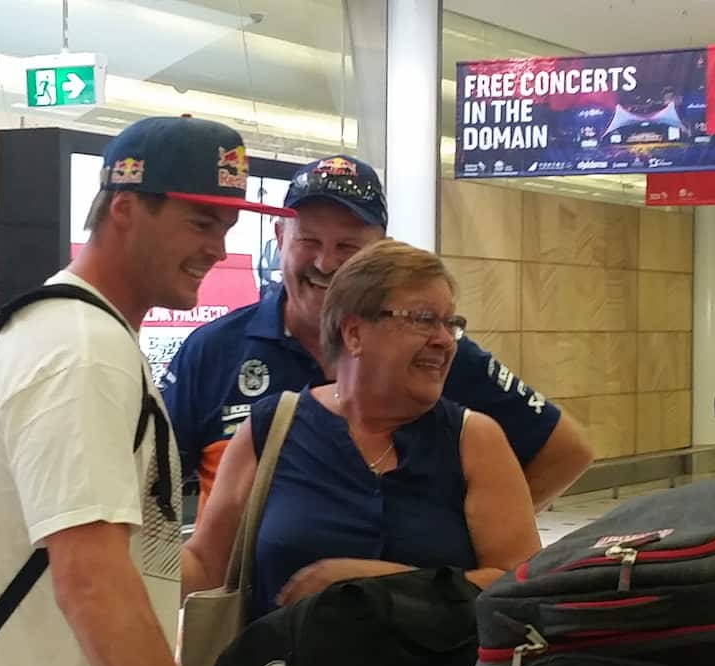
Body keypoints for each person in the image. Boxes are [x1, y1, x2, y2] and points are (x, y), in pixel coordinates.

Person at [0, 116, 294, 666]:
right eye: (200, 222)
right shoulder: (82, 352)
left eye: (228, 227)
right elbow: (91, 581)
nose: (218, 247)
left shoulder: (79, 334)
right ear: (126, 208)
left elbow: (131, 565)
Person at [161, 154, 593, 522]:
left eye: (348, 247)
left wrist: (472, 539)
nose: (325, 263)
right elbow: (153, 487)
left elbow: (566, 451)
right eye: (309, 240)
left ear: (380, 250)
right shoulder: (212, 350)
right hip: (253, 612)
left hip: (395, 609)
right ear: (279, 238)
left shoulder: (434, 353)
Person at [181, 240, 542, 616]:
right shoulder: (271, 429)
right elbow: (207, 565)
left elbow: (520, 586)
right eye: (423, 320)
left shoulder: (474, 440)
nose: (445, 340)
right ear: (353, 333)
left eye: (450, 323)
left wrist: (381, 583)